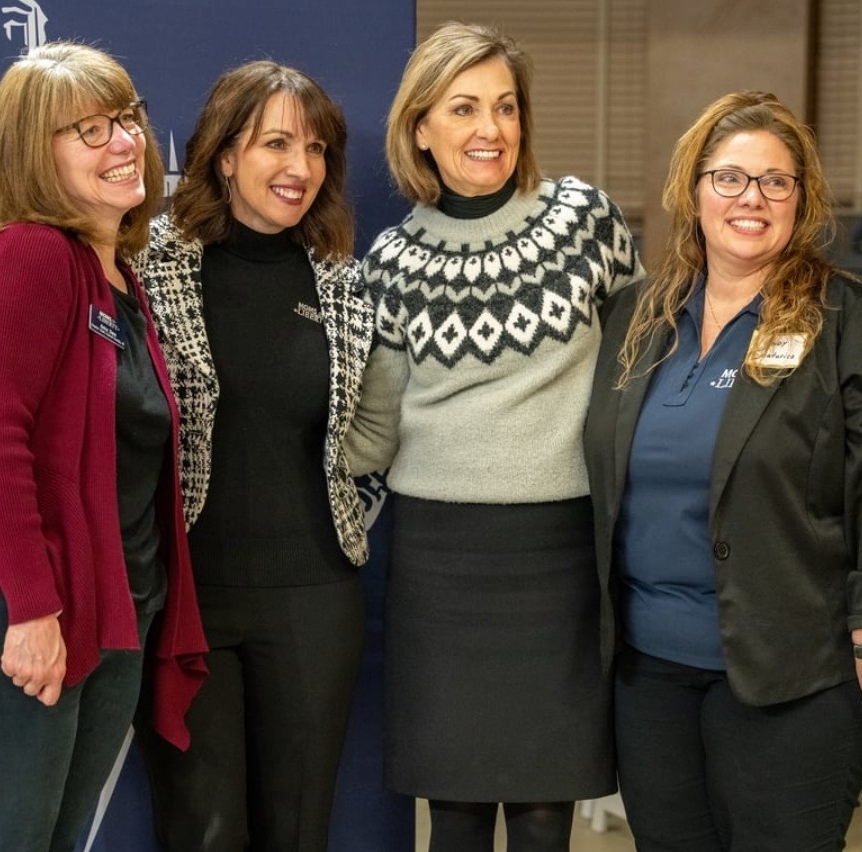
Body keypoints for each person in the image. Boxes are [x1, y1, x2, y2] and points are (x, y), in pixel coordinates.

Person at [584, 90, 862, 851]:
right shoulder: (636, 318)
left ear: (800, 200)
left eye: (776, 181)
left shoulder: (848, 321)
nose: (752, 197)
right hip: (649, 673)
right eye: (730, 178)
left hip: (797, 670)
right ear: (694, 191)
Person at [0, 41, 207, 852]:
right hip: (7, 617)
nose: (124, 141)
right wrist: (33, 609)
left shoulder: (116, 276)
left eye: (127, 119)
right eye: (89, 129)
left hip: (104, 612)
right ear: (34, 155)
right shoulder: (30, 255)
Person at [347, 22, 643, 852]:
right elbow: (375, 430)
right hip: (440, 561)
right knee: (456, 810)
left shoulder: (586, 221)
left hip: (561, 550)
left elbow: (641, 367)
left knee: (546, 811)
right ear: (420, 128)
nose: (491, 129)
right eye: (465, 108)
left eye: (506, 107)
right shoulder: (390, 263)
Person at [129, 61, 373, 852]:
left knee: (297, 831)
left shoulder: (342, 282)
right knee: (202, 831)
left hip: (314, 598)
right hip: (187, 596)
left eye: (316, 148)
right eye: (276, 144)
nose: (301, 167)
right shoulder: (146, 265)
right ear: (226, 155)